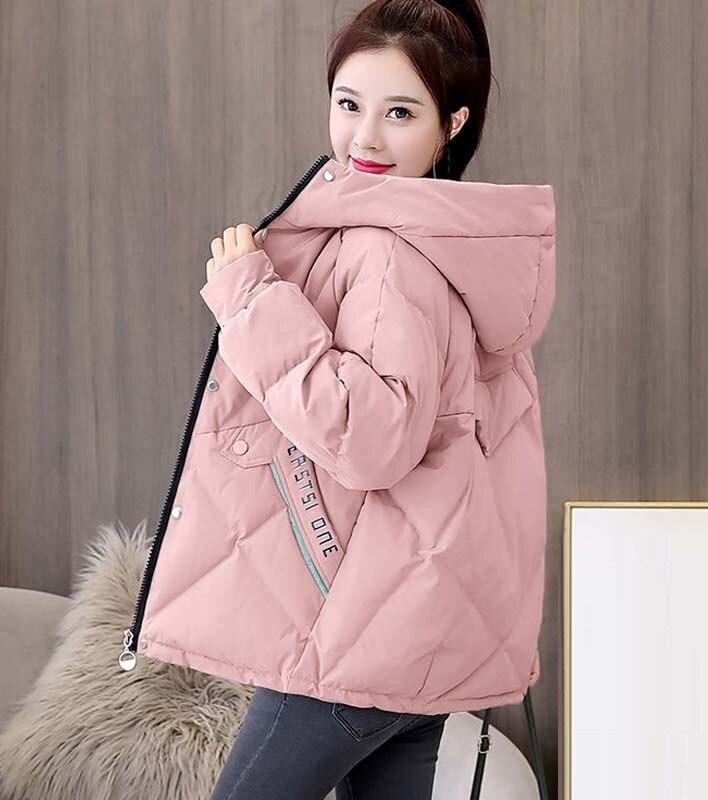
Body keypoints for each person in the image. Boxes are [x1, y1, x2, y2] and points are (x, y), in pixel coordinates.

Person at [125, 1, 553, 798]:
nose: (365, 139)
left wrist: (251, 301)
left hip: (361, 638)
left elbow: (371, 439)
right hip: (426, 631)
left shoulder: (387, 254)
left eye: (400, 113)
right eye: (349, 104)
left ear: (452, 124)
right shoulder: (456, 252)